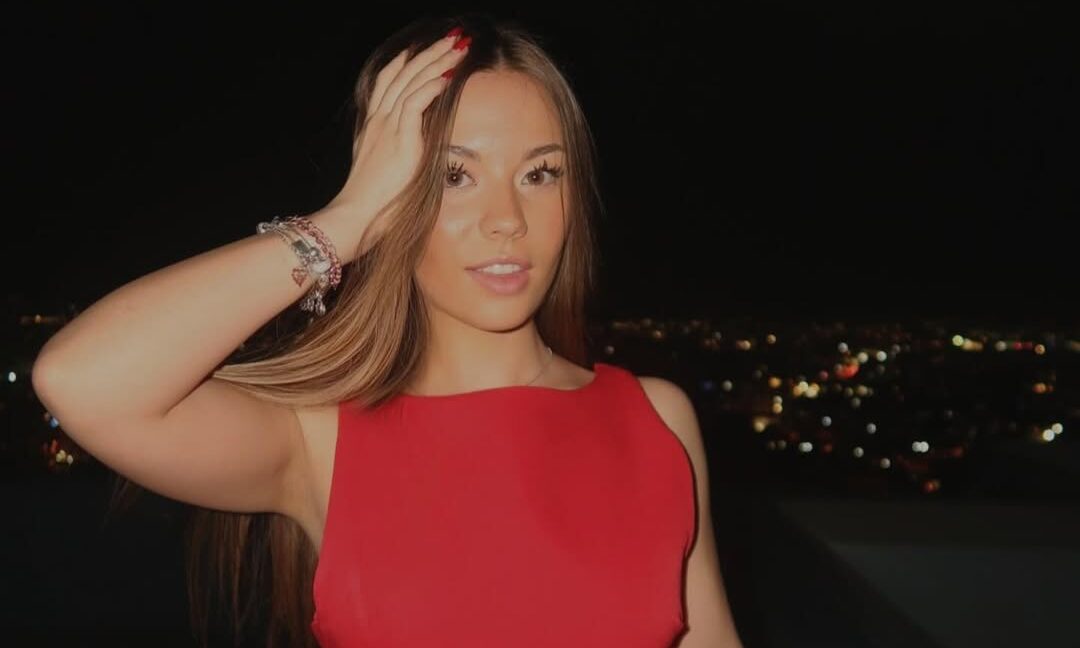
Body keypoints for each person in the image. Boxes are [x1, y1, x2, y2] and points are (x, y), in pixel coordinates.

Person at [31, 11, 743, 648]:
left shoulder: (658, 421)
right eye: (453, 177)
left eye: (540, 174)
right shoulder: (322, 438)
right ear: (394, 192)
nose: (507, 219)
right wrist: (346, 220)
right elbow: (81, 381)